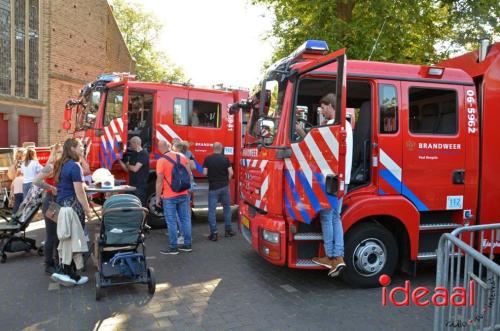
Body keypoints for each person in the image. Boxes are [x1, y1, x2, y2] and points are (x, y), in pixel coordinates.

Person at [310, 93, 353, 277]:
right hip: (344, 179)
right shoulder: (346, 125)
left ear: (330, 106)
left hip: (331, 181)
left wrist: (302, 133)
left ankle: (331, 256)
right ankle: (338, 257)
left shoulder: (332, 126)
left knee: (327, 218)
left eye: (323, 107)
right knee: (336, 217)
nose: (322, 110)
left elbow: (316, 148)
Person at [51, 138, 92, 286]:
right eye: (80, 146)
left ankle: (65, 271)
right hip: (73, 208)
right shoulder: (75, 166)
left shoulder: (63, 164)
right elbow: (79, 193)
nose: (83, 148)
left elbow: (69, 185)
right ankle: (69, 274)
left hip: (62, 206)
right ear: (73, 149)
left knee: (66, 241)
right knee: (74, 241)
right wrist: (88, 211)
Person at [155, 140, 192, 255]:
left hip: (169, 196)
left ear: (160, 149)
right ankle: (187, 245)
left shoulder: (161, 161)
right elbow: (189, 174)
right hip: (183, 193)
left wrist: (157, 198)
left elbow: (159, 182)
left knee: (171, 222)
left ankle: (173, 248)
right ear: (169, 146)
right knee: (185, 219)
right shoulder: (182, 156)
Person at [34, 143, 63, 275]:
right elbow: (36, 181)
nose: (62, 154)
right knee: (51, 235)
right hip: (51, 203)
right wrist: (51, 188)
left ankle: (57, 261)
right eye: (60, 152)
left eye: (63, 152)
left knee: (58, 235)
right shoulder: (51, 166)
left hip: (57, 203)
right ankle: (48, 264)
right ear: (55, 153)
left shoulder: (60, 166)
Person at [202, 142, 234, 241]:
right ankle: (228, 231)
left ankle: (214, 233)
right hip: (224, 186)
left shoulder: (208, 158)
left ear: (213, 148)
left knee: (212, 211)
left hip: (213, 187)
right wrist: (226, 181)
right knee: (227, 209)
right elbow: (231, 173)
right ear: (221, 149)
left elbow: (204, 173)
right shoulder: (225, 158)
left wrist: (211, 176)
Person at [118, 136, 149, 206]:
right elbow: (127, 169)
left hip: (140, 186)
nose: (130, 145)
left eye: (131, 143)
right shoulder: (133, 154)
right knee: (129, 204)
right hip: (131, 185)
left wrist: (127, 164)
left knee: (140, 205)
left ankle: (142, 217)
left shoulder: (144, 154)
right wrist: (119, 160)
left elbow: (135, 169)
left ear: (136, 143)